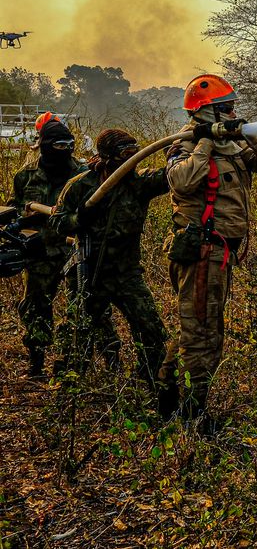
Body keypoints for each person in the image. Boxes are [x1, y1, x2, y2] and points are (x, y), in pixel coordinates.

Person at [157, 74, 257, 427]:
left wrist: (246, 133)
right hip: (201, 253)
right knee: (204, 335)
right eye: (225, 108)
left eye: (232, 108)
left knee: (195, 327)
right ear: (205, 113)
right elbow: (181, 182)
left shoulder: (235, 145)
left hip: (221, 253)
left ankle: (165, 395)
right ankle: (192, 413)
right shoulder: (183, 147)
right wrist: (205, 142)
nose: (232, 113)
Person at [49, 129, 169, 387]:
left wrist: (185, 144)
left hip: (127, 274)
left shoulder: (139, 183)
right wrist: (79, 219)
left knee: (151, 328)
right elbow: (58, 222)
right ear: (107, 157)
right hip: (89, 272)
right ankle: (68, 387)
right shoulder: (81, 185)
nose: (131, 161)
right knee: (78, 331)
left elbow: (171, 176)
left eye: (134, 154)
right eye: (125, 155)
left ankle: (153, 381)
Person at [8, 113, 99, 378]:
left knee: (79, 308)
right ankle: (36, 364)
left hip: (75, 251)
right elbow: (15, 208)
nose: (65, 150)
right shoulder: (26, 176)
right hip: (39, 253)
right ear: (44, 145)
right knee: (35, 307)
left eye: (68, 144)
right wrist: (20, 223)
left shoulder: (84, 175)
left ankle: (69, 367)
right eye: (57, 145)